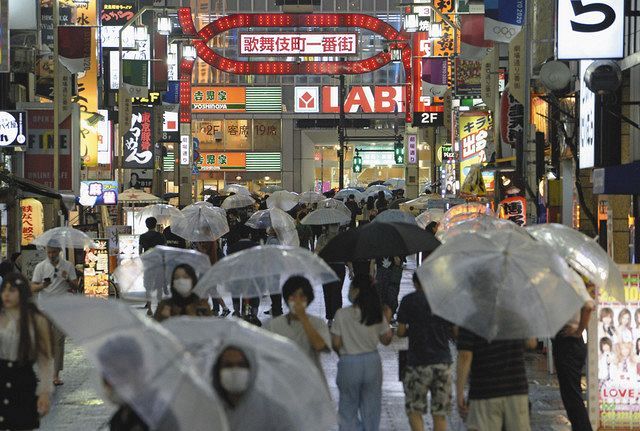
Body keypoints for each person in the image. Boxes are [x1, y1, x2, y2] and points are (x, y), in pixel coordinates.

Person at [331, 274, 393, 431]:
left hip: (349, 363)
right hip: (372, 362)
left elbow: (336, 343)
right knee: (371, 409)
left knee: (347, 409)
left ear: (357, 291)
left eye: (351, 288)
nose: (349, 291)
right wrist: (388, 318)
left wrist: (344, 354)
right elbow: (386, 340)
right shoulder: (377, 312)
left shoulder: (341, 314)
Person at [397, 274, 454, 431]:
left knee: (415, 411)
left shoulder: (409, 300)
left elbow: (400, 331)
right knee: (440, 414)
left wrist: (414, 330)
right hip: (442, 362)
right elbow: (455, 331)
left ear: (415, 283)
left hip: (417, 363)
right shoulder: (444, 301)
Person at [0, 272, 53, 430]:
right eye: (4, 290)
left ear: (22, 292)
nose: (6, 295)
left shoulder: (37, 320)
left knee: (21, 424)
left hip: (23, 383)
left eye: (12, 290)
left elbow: (45, 359)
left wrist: (44, 392)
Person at [456, 329, 536, 431]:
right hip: (516, 389)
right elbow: (532, 343)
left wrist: (459, 393)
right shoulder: (515, 317)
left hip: (485, 392)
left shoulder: (471, 321)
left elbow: (465, 356)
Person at [211, 345, 296, 430]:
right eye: (228, 365)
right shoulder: (209, 408)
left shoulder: (272, 412)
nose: (234, 371)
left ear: (252, 369)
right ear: (217, 371)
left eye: (241, 365)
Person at [31, 242, 78, 386]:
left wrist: (67, 279)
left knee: (58, 342)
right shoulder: (41, 267)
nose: (51, 255)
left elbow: (76, 285)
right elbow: (33, 287)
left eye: (54, 252)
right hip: (44, 308)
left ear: (59, 251)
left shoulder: (68, 266)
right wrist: (42, 286)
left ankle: (55, 374)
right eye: (49, 252)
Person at [552, 280, 595, 431]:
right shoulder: (566, 281)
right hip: (565, 342)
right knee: (570, 398)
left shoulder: (570, 279)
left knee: (573, 398)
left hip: (569, 343)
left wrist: (578, 331)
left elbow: (589, 306)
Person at [266, 276, 331, 371]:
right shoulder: (274, 325)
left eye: (302, 296)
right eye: (293, 296)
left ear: (308, 299)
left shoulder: (318, 323)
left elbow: (320, 346)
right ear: (287, 299)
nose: (297, 301)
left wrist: (303, 318)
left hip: (311, 379)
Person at [226, 227, 260, 318]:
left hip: (237, 276)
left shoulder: (232, 248)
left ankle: (237, 312)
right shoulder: (256, 246)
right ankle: (254, 314)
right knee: (254, 294)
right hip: (252, 276)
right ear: (249, 235)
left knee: (236, 293)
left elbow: (229, 263)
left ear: (239, 236)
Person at [316, 224, 346, 324]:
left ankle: (338, 316)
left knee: (337, 292)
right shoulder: (322, 238)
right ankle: (329, 317)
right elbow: (317, 251)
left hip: (339, 266)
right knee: (327, 291)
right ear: (328, 227)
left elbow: (347, 252)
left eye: (337, 225)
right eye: (333, 225)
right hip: (325, 267)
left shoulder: (341, 237)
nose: (335, 227)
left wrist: (350, 268)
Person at [194, 241, 231, 317]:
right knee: (207, 290)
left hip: (208, 269)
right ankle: (204, 309)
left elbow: (203, 252)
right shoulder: (208, 240)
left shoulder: (210, 241)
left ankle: (225, 308)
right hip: (206, 268)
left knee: (210, 290)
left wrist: (198, 244)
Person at [139, 217, 166, 315]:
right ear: (155, 225)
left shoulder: (142, 237)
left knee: (148, 286)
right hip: (158, 263)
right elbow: (164, 250)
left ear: (146, 225)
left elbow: (140, 252)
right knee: (159, 286)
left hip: (148, 264)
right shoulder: (161, 236)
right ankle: (158, 307)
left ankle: (149, 308)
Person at [373, 255, 403, 323]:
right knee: (381, 294)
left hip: (392, 276)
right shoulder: (378, 249)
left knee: (391, 295)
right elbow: (373, 262)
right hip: (381, 275)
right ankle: (383, 314)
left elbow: (398, 262)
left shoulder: (397, 250)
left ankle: (390, 315)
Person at [264, 228, 283, 317]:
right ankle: (275, 307)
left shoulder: (273, 241)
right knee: (273, 289)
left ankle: (277, 309)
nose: (268, 229)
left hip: (273, 267)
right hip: (273, 267)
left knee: (274, 289)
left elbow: (274, 254)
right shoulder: (271, 240)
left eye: (270, 228)